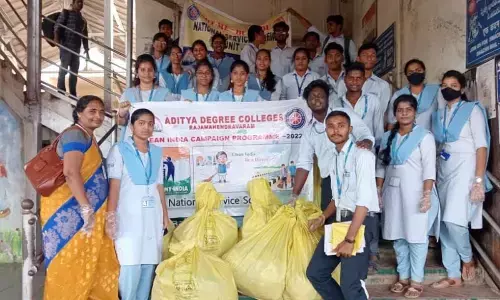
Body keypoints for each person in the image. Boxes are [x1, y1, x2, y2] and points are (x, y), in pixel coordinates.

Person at [41, 95, 119, 299]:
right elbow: (71, 172)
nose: (98, 116)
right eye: (92, 111)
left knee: (86, 261)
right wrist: (86, 208)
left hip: (83, 213)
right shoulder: (75, 135)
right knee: (69, 263)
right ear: (79, 113)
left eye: (102, 112)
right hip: (69, 212)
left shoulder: (86, 136)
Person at [306, 110, 379, 300]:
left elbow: (363, 203)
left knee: (351, 286)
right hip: (339, 220)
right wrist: (323, 217)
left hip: (359, 223)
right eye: (330, 126)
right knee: (316, 273)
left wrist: (349, 240)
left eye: (341, 126)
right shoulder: (334, 156)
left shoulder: (362, 156)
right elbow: (336, 198)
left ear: (350, 129)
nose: (335, 130)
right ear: (325, 130)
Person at [430, 70, 491, 289]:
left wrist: (478, 179)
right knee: (444, 224)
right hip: (443, 168)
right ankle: (453, 273)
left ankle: (467, 258)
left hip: (466, 167)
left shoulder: (471, 110)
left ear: (462, 88)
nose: (448, 88)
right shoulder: (438, 115)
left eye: (453, 85)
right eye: (444, 85)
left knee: (454, 220)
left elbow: (481, 146)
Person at [376, 95, 440, 298]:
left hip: (416, 193)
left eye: (408, 109)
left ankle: (416, 281)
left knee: (416, 237)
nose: (403, 113)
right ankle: (403, 277)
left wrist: (427, 194)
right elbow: (381, 167)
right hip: (392, 192)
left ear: (415, 112)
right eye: (400, 110)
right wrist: (378, 191)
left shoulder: (424, 136)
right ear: (394, 113)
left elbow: (429, 168)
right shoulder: (387, 137)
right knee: (397, 236)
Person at [106, 108, 172, 300]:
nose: (146, 127)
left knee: (149, 263)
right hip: (127, 215)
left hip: (152, 215)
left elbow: (159, 186)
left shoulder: (157, 152)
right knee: (130, 262)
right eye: (141, 123)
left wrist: (165, 216)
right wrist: (110, 217)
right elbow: (114, 186)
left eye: (150, 124)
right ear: (132, 126)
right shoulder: (119, 150)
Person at [289, 80, 374, 220]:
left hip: (351, 175)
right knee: (329, 223)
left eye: (320, 95)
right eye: (312, 97)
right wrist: (294, 195)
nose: (317, 99)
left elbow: (365, 134)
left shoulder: (343, 114)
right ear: (307, 102)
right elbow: (304, 163)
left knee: (355, 218)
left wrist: (366, 142)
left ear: (328, 98)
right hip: (329, 180)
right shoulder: (309, 130)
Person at [335, 62, 384, 146]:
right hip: (343, 154)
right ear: (344, 79)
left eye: (358, 78)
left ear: (364, 80)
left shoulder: (373, 101)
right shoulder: (336, 103)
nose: (355, 81)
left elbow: (379, 132)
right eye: (351, 78)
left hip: (367, 152)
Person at [288, 9, 357, 66]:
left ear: (339, 26)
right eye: (327, 25)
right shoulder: (325, 39)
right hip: (325, 74)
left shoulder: (348, 42)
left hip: (342, 76)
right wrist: (295, 14)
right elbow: (309, 26)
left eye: (331, 24)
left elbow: (355, 60)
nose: (328, 27)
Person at [117, 54, 171, 126]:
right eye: (142, 70)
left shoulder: (165, 93)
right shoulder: (128, 94)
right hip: (133, 136)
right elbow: (120, 123)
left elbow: (172, 117)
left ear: (155, 72)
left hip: (158, 136)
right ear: (137, 73)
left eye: (150, 70)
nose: (146, 73)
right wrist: (121, 114)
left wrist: (186, 105)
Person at [388, 59, 440, 131]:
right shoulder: (398, 95)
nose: (415, 73)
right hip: (405, 139)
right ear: (406, 75)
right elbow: (392, 122)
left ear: (424, 72)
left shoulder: (436, 91)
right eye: (410, 72)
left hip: (430, 139)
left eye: (418, 70)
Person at [54, 0, 89, 97]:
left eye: (81, 3)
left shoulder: (83, 20)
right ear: (72, 4)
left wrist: (87, 51)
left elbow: (85, 36)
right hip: (66, 47)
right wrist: (56, 40)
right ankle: (61, 90)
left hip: (76, 50)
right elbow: (57, 26)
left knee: (74, 73)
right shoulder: (66, 13)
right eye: (78, 2)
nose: (80, 4)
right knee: (63, 69)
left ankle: (72, 93)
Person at [349, 43, 392, 114]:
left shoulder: (383, 85)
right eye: (365, 55)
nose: (369, 58)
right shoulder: (347, 82)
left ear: (376, 60)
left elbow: (380, 112)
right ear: (358, 59)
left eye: (373, 55)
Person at [321, 42, 346, 107]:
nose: (333, 60)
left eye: (337, 56)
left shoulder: (350, 79)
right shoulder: (321, 82)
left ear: (343, 58)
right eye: (330, 56)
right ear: (325, 59)